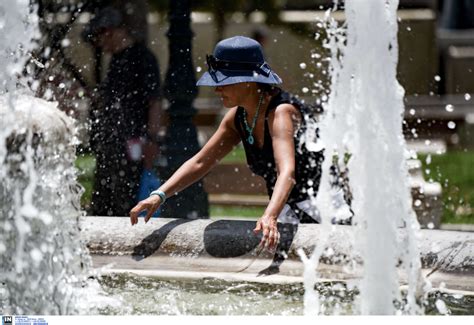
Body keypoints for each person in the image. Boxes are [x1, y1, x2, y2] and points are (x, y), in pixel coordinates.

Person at [130, 36, 324, 250]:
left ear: (248, 81)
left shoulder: (281, 113)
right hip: (287, 213)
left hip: (325, 212)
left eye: (223, 82)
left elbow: (287, 172)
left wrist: (270, 215)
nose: (216, 89)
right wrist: (159, 195)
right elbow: (200, 163)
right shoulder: (237, 118)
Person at [84, 6, 163, 216]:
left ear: (109, 31)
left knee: (126, 202)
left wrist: (153, 139)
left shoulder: (142, 57)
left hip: (133, 148)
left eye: (99, 37)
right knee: (102, 204)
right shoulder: (116, 60)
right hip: (111, 146)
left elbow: (155, 101)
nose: (99, 44)